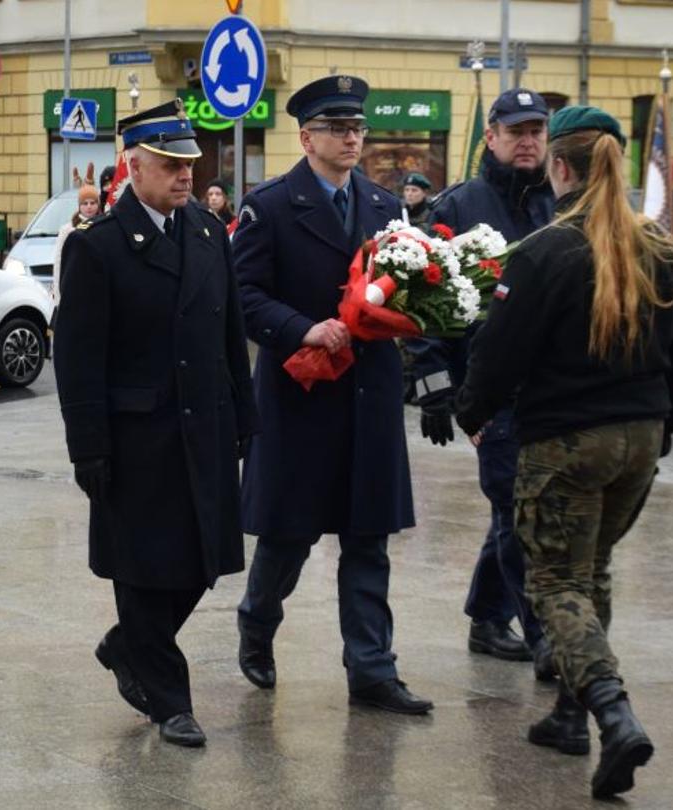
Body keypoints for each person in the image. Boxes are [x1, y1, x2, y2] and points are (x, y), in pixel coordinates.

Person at [453, 105, 673, 799]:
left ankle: (612, 712)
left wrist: (469, 411)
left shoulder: (543, 251)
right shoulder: (661, 245)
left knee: (555, 581)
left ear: (558, 166)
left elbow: (500, 352)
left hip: (565, 439)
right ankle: (568, 715)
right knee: (590, 573)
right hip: (639, 438)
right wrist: (665, 426)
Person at [52, 101, 255, 748]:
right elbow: (78, 357)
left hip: (206, 424)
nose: (185, 175)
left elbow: (230, 335)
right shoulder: (99, 249)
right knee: (141, 570)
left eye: (189, 163)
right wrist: (88, 445)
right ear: (132, 167)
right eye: (170, 164)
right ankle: (171, 700)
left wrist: (245, 416)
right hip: (137, 437)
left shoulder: (204, 233)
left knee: (202, 560)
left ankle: (126, 645)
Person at [232, 75, 431, 715]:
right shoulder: (270, 205)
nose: (352, 138)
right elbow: (242, 296)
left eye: (358, 129)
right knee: (288, 537)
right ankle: (257, 625)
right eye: (338, 128)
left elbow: (406, 289)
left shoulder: (383, 207)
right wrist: (300, 326)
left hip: (368, 396)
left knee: (367, 536)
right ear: (306, 136)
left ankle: (372, 669)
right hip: (302, 393)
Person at [408, 88, 553, 670]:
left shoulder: (558, 203)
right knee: (518, 510)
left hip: (551, 386)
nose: (527, 141)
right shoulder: (458, 206)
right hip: (489, 390)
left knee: (516, 512)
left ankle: (488, 617)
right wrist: (436, 389)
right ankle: (544, 635)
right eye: (515, 131)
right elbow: (421, 301)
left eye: (537, 131)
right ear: (489, 137)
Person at [50, 184, 102, 301]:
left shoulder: (104, 226)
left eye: (92, 203)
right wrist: (59, 296)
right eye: (85, 203)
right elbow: (59, 262)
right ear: (79, 206)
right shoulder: (68, 230)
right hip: (74, 286)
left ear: (98, 205)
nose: (89, 207)